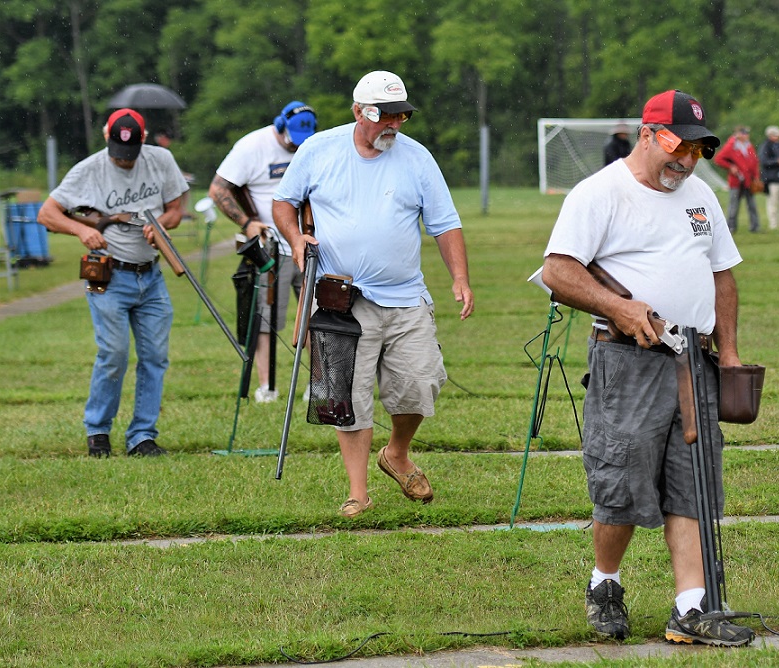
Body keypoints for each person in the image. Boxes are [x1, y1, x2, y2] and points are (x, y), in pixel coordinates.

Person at [541, 89, 755, 647]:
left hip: (694, 363)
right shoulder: (599, 194)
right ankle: (604, 583)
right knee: (621, 482)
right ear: (647, 134)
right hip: (627, 360)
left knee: (693, 486)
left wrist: (728, 353)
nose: (686, 159)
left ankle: (691, 608)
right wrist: (618, 306)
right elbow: (558, 271)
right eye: (677, 144)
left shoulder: (700, 194)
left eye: (698, 150)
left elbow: (722, 275)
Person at [273, 71, 474, 519]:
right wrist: (294, 237)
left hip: (405, 297)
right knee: (346, 396)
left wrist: (459, 277)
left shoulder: (418, 158)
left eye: (401, 115)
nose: (394, 124)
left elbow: (444, 222)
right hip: (339, 299)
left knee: (420, 385)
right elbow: (284, 203)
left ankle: (396, 454)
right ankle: (358, 492)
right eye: (385, 115)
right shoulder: (319, 149)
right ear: (358, 111)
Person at [37, 108, 189, 457]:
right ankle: (98, 431)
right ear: (107, 137)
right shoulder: (88, 169)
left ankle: (142, 436)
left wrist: (162, 224)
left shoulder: (161, 160)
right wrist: (81, 229)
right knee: (114, 354)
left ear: (144, 140)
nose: (124, 161)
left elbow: (176, 210)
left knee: (155, 357)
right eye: (118, 155)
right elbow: (47, 213)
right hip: (108, 277)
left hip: (151, 276)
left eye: (131, 154)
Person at [208, 101, 318, 403]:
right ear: (280, 125)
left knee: (317, 316)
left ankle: (317, 384)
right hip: (271, 247)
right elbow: (218, 190)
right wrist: (247, 223)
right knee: (266, 319)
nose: (296, 145)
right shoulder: (252, 146)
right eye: (292, 138)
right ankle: (267, 387)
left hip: (312, 244)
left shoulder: (315, 146)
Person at [713, 126, 761, 233]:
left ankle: (755, 227)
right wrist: (730, 167)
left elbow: (755, 162)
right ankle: (731, 227)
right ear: (738, 134)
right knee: (733, 205)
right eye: (744, 133)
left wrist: (756, 177)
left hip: (749, 180)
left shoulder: (749, 145)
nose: (746, 135)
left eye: (747, 133)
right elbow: (718, 159)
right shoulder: (731, 146)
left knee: (752, 205)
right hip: (736, 180)